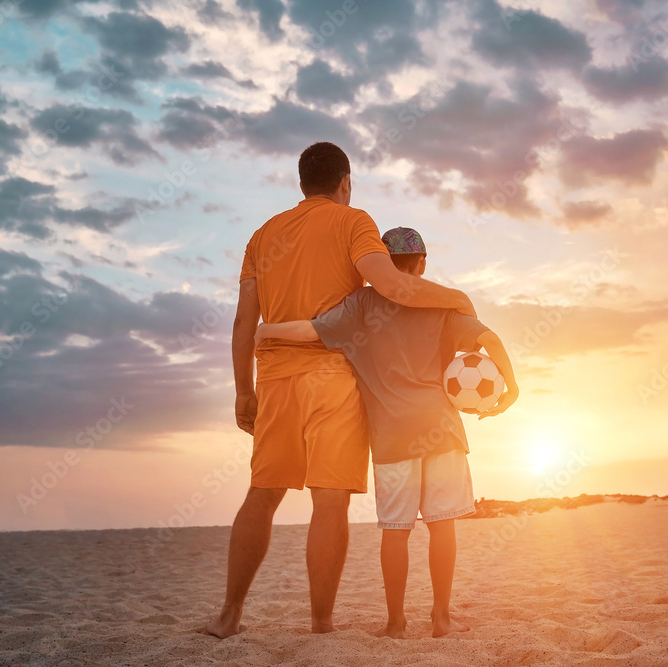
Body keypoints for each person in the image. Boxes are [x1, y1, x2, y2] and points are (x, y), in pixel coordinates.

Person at [206, 143, 476, 639]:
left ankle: (228, 614)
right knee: (329, 500)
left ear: (302, 183)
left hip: (275, 375)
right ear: (344, 183)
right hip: (332, 374)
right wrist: (456, 298)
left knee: (262, 494)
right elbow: (390, 286)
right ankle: (321, 623)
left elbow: (246, 319)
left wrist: (243, 391)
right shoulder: (354, 223)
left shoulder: (262, 236)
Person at [254, 226, 519, 638]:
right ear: (422, 264)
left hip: (392, 439)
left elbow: (310, 329)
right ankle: (442, 619)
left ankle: (395, 624)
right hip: (442, 430)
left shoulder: (361, 304)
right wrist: (512, 384)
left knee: (396, 532)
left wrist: (266, 330)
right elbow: (489, 338)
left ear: (380, 265)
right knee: (442, 525)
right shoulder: (442, 306)